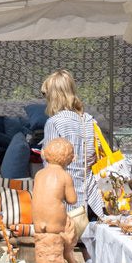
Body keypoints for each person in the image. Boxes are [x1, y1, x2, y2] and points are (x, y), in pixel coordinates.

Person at [40, 70, 105, 215]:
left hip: (66, 201)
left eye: (46, 95)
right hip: (93, 200)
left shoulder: (54, 123)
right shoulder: (89, 120)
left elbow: (50, 166)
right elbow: (95, 155)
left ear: (54, 96)